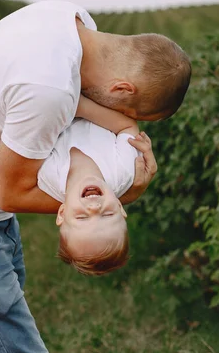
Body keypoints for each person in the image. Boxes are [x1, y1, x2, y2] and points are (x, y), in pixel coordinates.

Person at [0, 0, 191, 353]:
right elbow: (11, 193)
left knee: (4, 331)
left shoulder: (68, 17)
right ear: (122, 89)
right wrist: (124, 195)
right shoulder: (50, 91)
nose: (121, 117)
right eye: (131, 112)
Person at [36, 95, 154, 276]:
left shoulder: (47, 176)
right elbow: (127, 126)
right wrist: (79, 106)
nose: (94, 207)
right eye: (107, 214)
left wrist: (57, 107)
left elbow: (32, 135)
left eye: (82, 218)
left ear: (62, 212)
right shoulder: (124, 171)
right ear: (120, 207)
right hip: (96, 95)